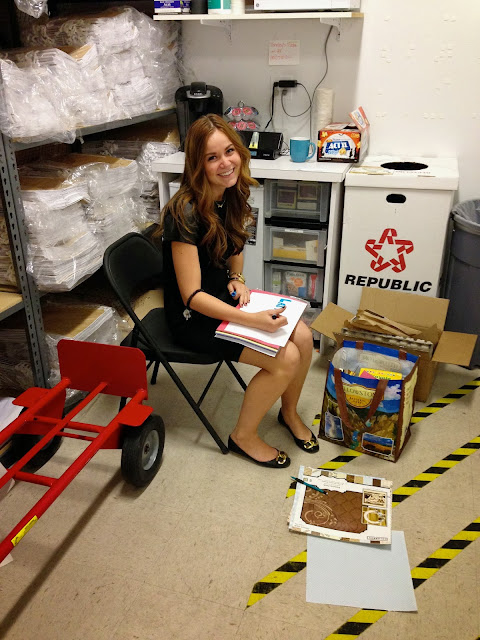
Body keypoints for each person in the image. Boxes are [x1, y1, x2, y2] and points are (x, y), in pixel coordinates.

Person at [157, 114, 318, 468]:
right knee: (286, 358)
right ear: (197, 165)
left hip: (221, 298)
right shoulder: (184, 212)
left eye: (229, 151)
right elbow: (192, 296)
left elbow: (236, 247)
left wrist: (237, 277)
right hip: (193, 317)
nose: (225, 163)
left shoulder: (231, 192)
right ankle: (243, 436)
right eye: (212, 157)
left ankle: (288, 413)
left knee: (304, 337)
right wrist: (253, 320)